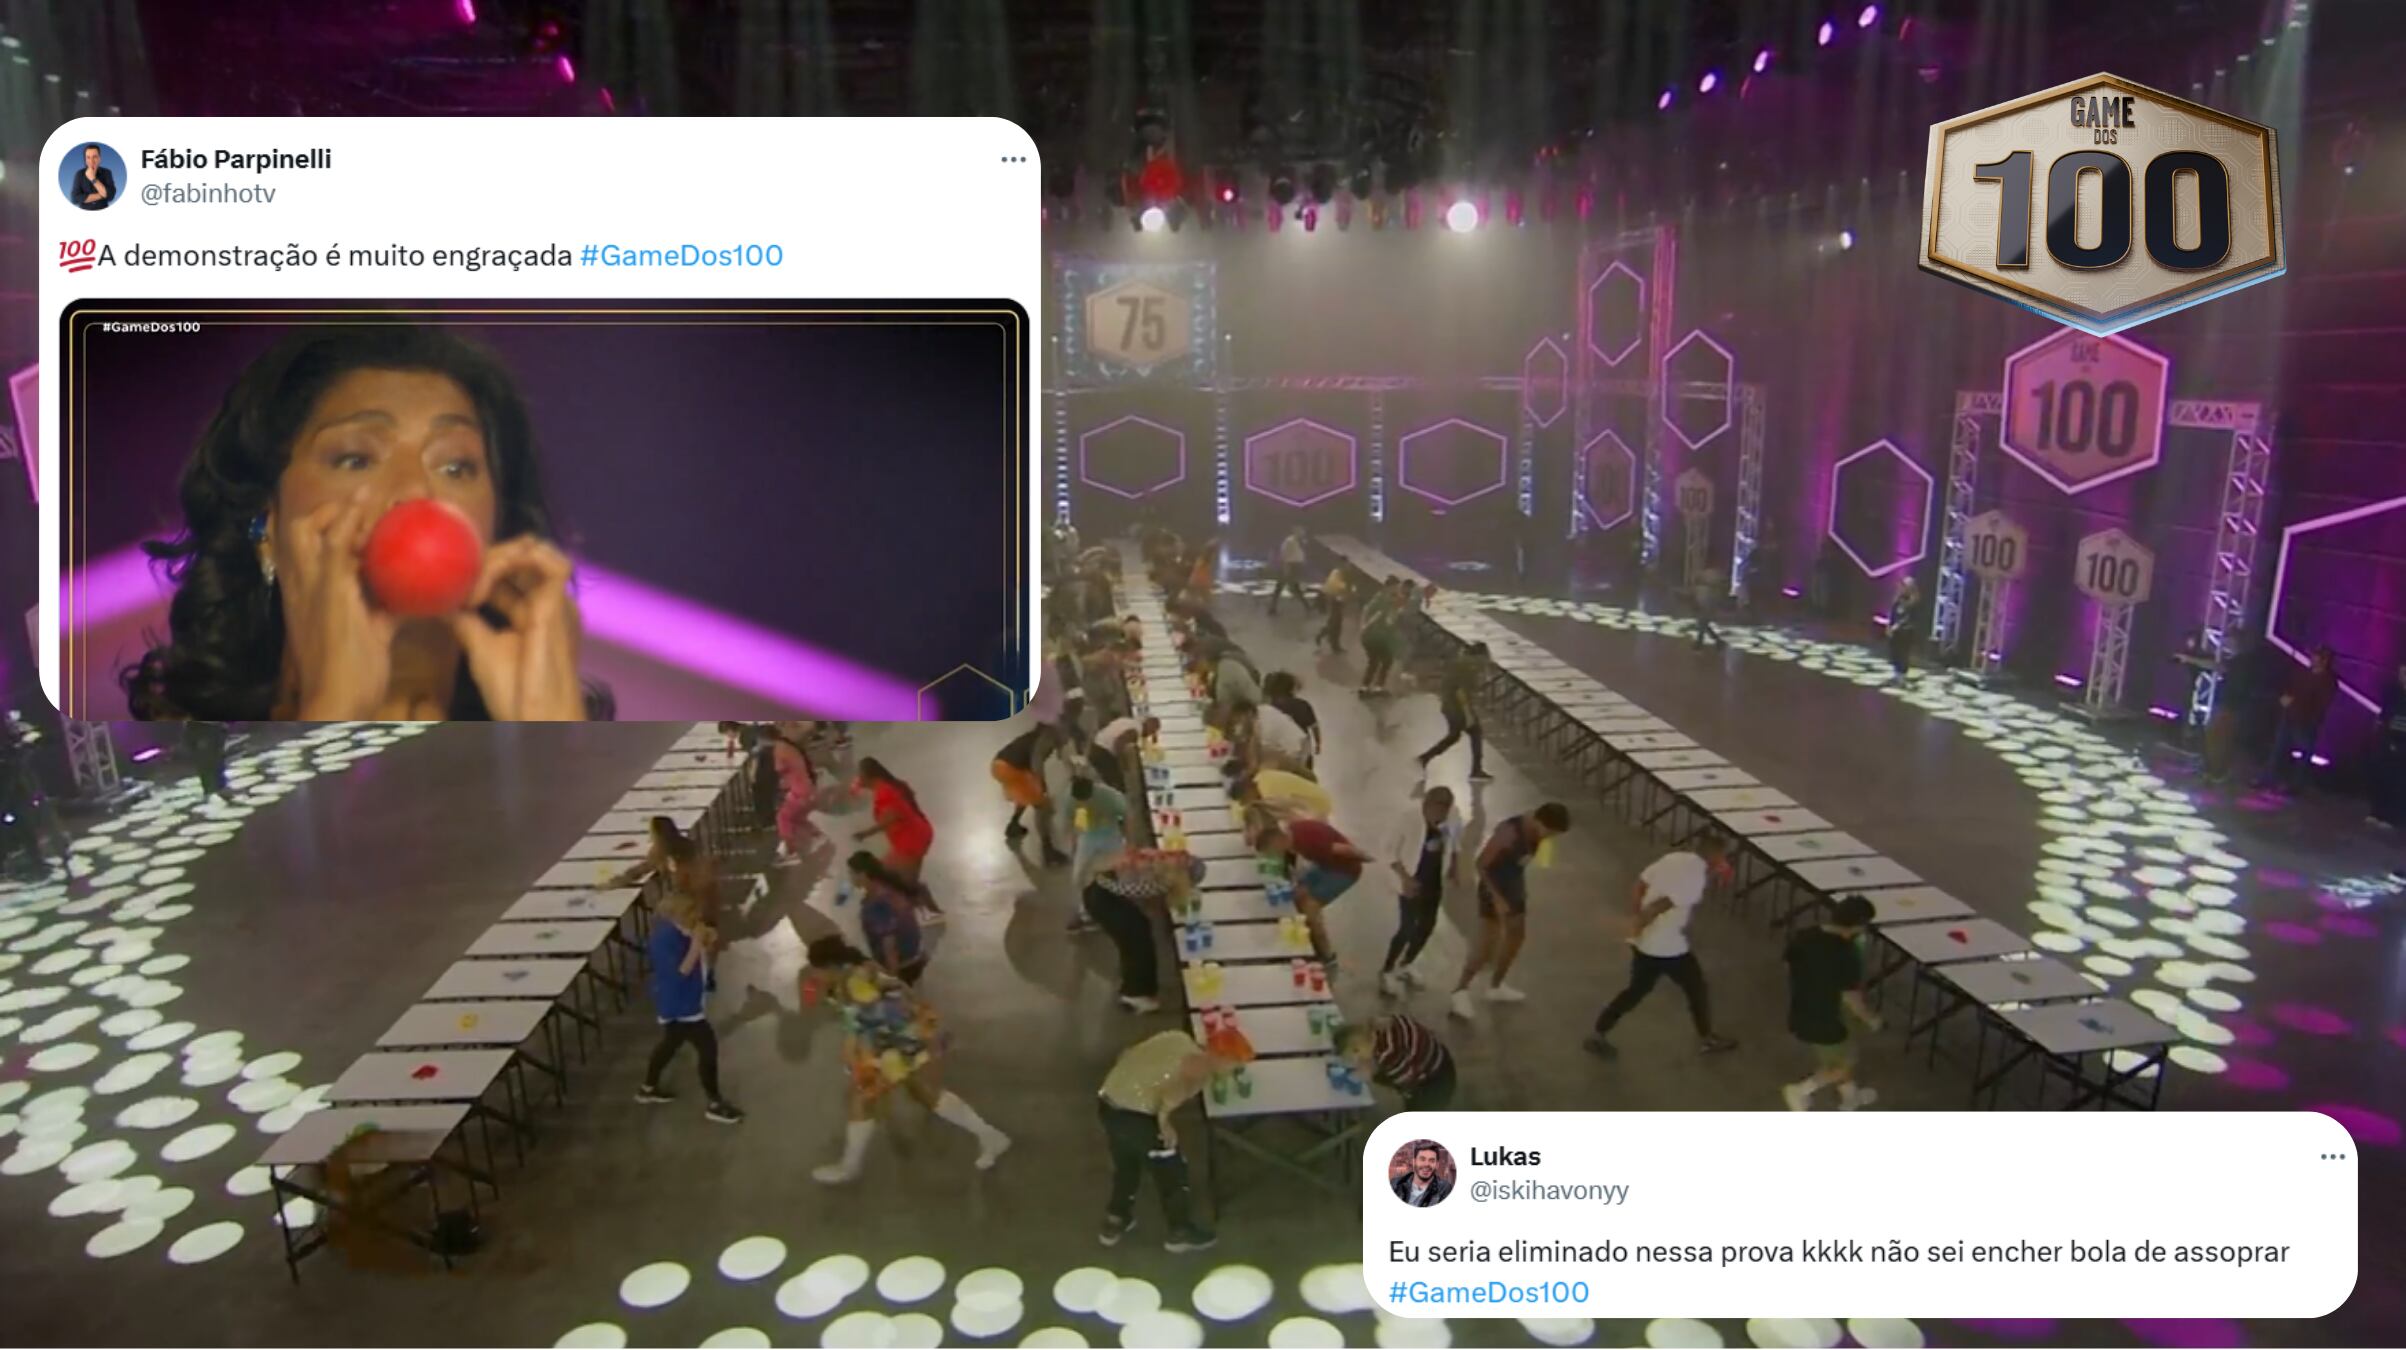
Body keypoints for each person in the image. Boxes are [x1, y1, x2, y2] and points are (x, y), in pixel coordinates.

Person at [123, 326, 597, 723]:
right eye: (356, 459)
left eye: (456, 467)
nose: (416, 491)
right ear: (267, 526)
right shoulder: (183, 768)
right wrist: (332, 714)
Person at [800, 936, 1011, 1183]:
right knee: (921, 1091)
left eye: (816, 970)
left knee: (864, 1097)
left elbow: (859, 1022)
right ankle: (991, 1136)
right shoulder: (859, 969)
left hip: (897, 1040)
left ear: (829, 966)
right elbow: (898, 993)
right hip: (909, 1031)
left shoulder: (853, 983)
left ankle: (849, 1168)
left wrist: (851, 1050)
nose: (814, 975)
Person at [1583, 833, 1741, 1059]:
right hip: (1667, 946)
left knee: (1636, 991)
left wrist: (1637, 921)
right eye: (1723, 856)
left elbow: (1639, 885)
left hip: (1646, 943)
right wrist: (1637, 924)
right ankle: (1707, 1038)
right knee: (1696, 988)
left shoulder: (1673, 858)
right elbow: (1659, 906)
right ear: (1716, 855)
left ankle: (1599, 1032)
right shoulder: (1695, 879)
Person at [1095, 1027, 1246, 1251]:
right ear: (1220, 1058)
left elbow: (1126, 1053)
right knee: (1172, 1170)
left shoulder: (1177, 1037)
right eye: (1235, 1063)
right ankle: (1179, 1231)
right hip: (1137, 1116)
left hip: (1109, 1103)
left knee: (1127, 1162)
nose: (1237, 1067)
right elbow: (1170, 1097)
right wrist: (1164, 1124)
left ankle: (1115, 1219)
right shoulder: (1197, 1069)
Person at [1450, 802, 1571, 1020]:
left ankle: (1496, 986)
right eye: (1550, 832)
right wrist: (1496, 898)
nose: (1549, 837)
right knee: (1487, 945)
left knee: (1517, 936)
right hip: (1493, 888)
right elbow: (1480, 865)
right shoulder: (1509, 833)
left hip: (1513, 884)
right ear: (1539, 821)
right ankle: (1460, 991)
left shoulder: (1538, 830)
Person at [635, 890, 744, 1124]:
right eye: (690, 912)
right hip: (681, 1004)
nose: (696, 916)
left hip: (686, 1000)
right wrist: (696, 945)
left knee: (670, 1044)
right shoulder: (663, 941)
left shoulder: (684, 928)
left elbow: (700, 946)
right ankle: (714, 1103)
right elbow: (680, 973)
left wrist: (705, 940)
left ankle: (647, 1088)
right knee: (707, 1049)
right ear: (675, 915)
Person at [1781, 894, 1884, 1111]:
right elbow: (1851, 997)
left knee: (1842, 1056)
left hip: (1803, 1006)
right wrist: (1871, 1019)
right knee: (1841, 1064)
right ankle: (1800, 1091)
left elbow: (1788, 964)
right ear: (1858, 926)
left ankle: (1850, 1097)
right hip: (1828, 1017)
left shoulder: (1805, 935)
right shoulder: (1845, 955)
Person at [1381, 786, 1463, 997]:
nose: (1440, 817)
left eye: (1444, 812)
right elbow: (1389, 851)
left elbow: (1455, 842)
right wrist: (1406, 879)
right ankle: (1387, 970)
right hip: (1411, 881)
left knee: (1427, 926)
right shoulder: (1407, 818)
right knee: (1407, 927)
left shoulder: (1452, 816)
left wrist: (1454, 867)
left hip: (1434, 882)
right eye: (1437, 812)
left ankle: (1406, 963)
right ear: (1426, 805)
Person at [1259, 817, 1366, 967]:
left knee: (1310, 907)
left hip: (1344, 871)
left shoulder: (1307, 841)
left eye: (1273, 850)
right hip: (1325, 865)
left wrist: (1367, 857)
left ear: (1278, 840)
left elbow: (1346, 850)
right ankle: (1305, 938)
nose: (1276, 854)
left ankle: (1327, 955)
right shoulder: (1291, 834)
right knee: (1297, 895)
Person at [852, 757, 941, 918]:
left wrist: (864, 834)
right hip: (913, 835)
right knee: (890, 876)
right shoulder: (889, 786)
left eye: (860, 774)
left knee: (903, 883)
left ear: (868, 776)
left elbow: (891, 817)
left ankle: (929, 912)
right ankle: (928, 910)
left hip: (911, 840)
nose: (858, 778)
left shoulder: (884, 792)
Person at [2261, 646, 2341, 792]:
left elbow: (2320, 704)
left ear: (2325, 660)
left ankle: (2295, 785)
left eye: (2317, 656)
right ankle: (2268, 778)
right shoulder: (2303, 674)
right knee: (2278, 749)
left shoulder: (2329, 682)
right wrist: (2285, 698)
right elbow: (2292, 688)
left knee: (2303, 754)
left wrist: (2299, 706)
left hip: (2307, 723)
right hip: (2290, 717)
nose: (2312, 659)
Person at [1344, 1013, 1458, 1110]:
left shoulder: (1388, 1055)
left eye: (1357, 1056)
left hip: (1433, 1084)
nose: (1358, 1060)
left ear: (1358, 1048)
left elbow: (1404, 1083)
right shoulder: (1387, 1024)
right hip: (1440, 1057)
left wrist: (1373, 1076)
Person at [848, 851, 931, 985]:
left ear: (862, 874)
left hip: (903, 966)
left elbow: (889, 946)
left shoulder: (876, 904)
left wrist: (893, 980)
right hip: (916, 955)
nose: (850, 878)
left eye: (851, 873)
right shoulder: (890, 885)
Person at [993, 723, 1070, 866]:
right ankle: (1048, 851)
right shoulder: (1045, 738)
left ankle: (1013, 826)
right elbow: (1037, 762)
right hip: (1012, 769)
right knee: (1042, 806)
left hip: (1000, 765)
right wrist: (1042, 788)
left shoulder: (1038, 737)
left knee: (1025, 793)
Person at [1417, 643, 1490, 781]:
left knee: (1454, 736)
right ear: (1480, 656)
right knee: (1474, 733)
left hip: (1449, 705)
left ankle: (1425, 758)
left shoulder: (1462, 663)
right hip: (1457, 707)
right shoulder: (1469, 667)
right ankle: (1476, 769)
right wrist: (1468, 715)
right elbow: (1461, 692)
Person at [769, 725, 822, 862]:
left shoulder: (779, 748)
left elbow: (780, 769)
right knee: (796, 817)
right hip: (806, 786)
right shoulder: (789, 745)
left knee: (783, 817)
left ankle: (791, 851)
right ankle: (817, 836)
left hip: (799, 789)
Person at [2370, 665, 2406, 830]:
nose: (2402, 676)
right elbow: (2384, 714)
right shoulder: (2393, 693)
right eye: (2401, 673)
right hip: (2388, 739)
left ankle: (2390, 816)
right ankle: (2377, 812)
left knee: (2397, 780)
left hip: (2403, 744)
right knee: (2382, 776)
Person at [1230, 767, 1333, 823]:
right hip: (1318, 795)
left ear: (1248, 789)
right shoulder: (1262, 776)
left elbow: (1290, 813)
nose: (1249, 802)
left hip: (1318, 806)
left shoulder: (1269, 792)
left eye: (1245, 798)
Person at [1358, 579, 1407, 696]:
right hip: (1377, 636)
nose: (1398, 589)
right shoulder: (1386, 600)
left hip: (1370, 637)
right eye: (1396, 587)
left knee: (1375, 662)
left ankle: (1365, 687)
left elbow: (1366, 609)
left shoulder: (1380, 597)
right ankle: (1377, 687)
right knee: (1386, 660)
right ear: (1390, 587)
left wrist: (1363, 626)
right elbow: (1386, 620)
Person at [1391, 1142, 1452, 1207]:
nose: (1426, 1164)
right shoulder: (1396, 1184)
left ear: (1437, 1165)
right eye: (1422, 1159)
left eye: (1431, 1161)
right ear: (1414, 1162)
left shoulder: (1444, 1189)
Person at [1886, 576, 1923, 682]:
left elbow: (1909, 617)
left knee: (1903, 653)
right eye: (1902, 586)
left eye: (1905, 586)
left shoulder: (1914, 601)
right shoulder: (1898, 600)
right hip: (1895, 632)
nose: (1902, 588)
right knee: (1895, 652)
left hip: (1906, 632)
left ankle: (1902, 675)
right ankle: (1896, 673)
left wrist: (1898, 625)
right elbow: (1893, 614)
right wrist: (1889, 626)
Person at [184, 720, 232, 799]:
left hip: (213, 729)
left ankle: (219, 787)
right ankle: (212, 788)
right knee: (206, 760)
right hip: (201, 730)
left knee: (217, 758)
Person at [1269, 528, 1310, 614]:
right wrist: (1286, 566)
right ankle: (1272, 608)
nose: (1302, 533)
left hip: (1295, 566)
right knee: (1284, 586)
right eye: (1301, 531)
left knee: (1292, 587)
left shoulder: (1300, 542)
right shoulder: (1289, 541)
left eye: (1303, 531)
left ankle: (1307, 606)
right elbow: (1284, 554)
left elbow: (1299, 554)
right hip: (1290, 566)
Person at [1314, 566, 1351, 654]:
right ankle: (1333, 644)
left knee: (1334, 623)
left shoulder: (1338, 573)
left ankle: (1326, 639)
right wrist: (1343, 594)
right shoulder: (1338, 575)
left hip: (1335, 601)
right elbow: (1336, 590)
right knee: (1335, 624)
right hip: (1334, 602)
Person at [1690, 568, 1727, 649]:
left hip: (1706, 605)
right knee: (1703, 624)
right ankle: (1717, 641)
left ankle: (1699, 643)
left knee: (1702, 624)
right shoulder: (1709, 583)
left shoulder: (1708, 583)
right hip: (1706, 604)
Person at [71, 143, 115, 210]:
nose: (91, 161)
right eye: (88, 157)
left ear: (99, 158)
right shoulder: (79, 174)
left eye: (94, 157)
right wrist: (103, 194)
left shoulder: (107, 173)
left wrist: (93, 178)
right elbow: (74, 199)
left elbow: (111, 196)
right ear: (85, 159)